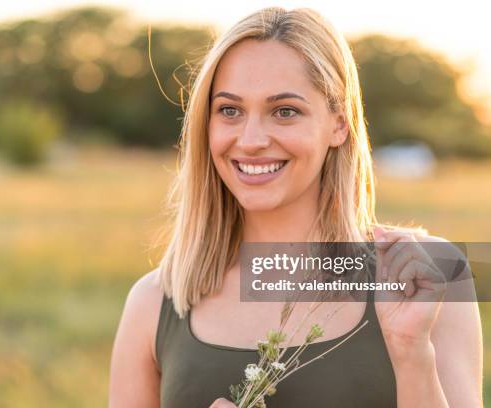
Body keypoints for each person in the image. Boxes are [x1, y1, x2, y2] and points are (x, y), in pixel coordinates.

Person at [109, 7, 482, 407]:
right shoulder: (154, 302)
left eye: (284, 111)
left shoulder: (432, 276)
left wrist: (411, 353)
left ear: (339, 123)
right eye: (229, 110)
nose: (250, 139)